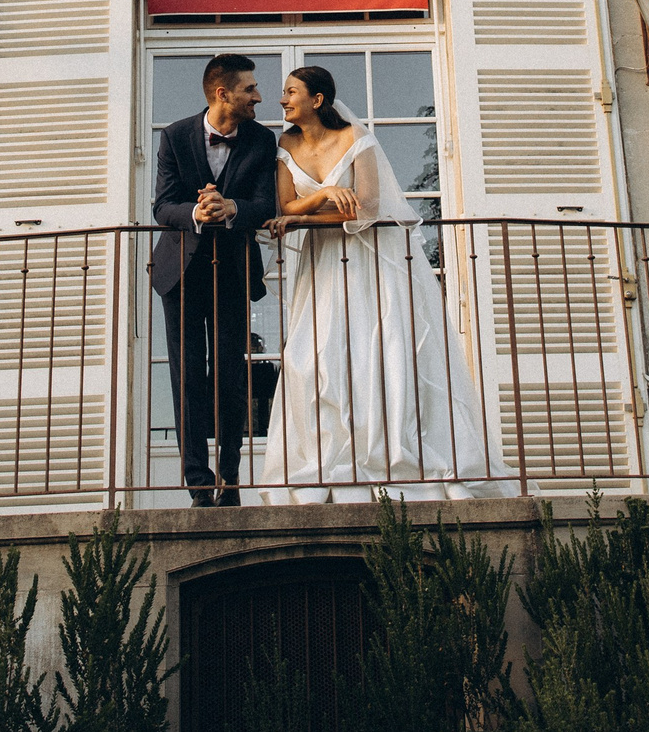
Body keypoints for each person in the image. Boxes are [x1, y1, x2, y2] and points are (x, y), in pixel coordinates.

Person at [254, 65, 514, 503]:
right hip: (321, 266)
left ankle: (396, 452)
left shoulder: (355, 140)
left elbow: (369, 207)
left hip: (370, 260)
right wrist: (319, 198)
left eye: (291, 92)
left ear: (317, 100)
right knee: (316, 355)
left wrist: (302, 216)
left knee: (382, 348)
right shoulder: (285, 144)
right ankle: (327, 456)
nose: (282, 100)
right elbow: (287, 204)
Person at [148, 53, 278, 506]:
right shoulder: (175, 136)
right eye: (250, 89)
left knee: (230, 375)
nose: (259, 96)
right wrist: (197, 213)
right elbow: (162, 206)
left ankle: (230, 480)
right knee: (187, 379)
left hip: (234, 273)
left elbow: (267, 204)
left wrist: (235, 208)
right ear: (223, 93)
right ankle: (199, 488)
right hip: (180, 274)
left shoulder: (262, 141)